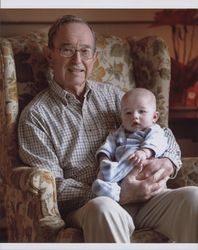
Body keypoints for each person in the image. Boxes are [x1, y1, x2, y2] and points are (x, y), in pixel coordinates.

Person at [18, 15, 198, 243]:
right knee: (104, 209)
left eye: (85, 51)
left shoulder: (114, 97)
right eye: (66, 50)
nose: (77, 60)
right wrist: (118, 193)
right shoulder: (36, 116)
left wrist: (168, 162)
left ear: (94, 58)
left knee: (193, 199)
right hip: (90, 204)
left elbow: (161, 133)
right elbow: (53, 186)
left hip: (146, 200)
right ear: (50, 55)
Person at [92, 88, 168, 202]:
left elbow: (158, 142)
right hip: (122, 176)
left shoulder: (154, 130)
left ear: (154, 117)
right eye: (128, 113)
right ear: (121, 117)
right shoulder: (119, 132)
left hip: (141, 170)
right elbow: (109, 144)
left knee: (129, 160)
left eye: (141, 111)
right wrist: (104, 157)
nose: (135, 116)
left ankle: (111, 180)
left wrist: (145, 152)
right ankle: (110, 190)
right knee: (105, 171)